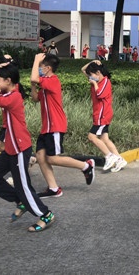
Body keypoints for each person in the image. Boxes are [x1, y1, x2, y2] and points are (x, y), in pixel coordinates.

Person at [0, 63, 55, 233]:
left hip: (20, 148)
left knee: (23, 186)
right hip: (10, 147)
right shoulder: (6, 92)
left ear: (8, 81)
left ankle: (46, 214)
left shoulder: (14, 97)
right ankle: (21, 202)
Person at [31, 53, 95, 198]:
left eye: (41, 66)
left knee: (52, 158)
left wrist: (36, 60)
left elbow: (34, 77)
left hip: (55, 125)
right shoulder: (45, 84)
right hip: (46, 127)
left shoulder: (53, 80)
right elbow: (35, 98)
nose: (38, 69)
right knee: (41, 157)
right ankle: (53, 188)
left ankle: (86, 166)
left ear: (47, 68)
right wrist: (33, 85)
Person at [81, 60, 127, 173]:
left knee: (91, 137)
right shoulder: (96, 79)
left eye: (91, 75)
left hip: (102, 115)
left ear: (98, 73)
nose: (90, 77)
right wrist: (92, 61)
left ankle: (109, 156)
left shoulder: (105, 81)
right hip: (99, 114)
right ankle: (119, 159)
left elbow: (100, 94)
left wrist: (94, 84)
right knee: (104, 139)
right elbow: (83, 70)